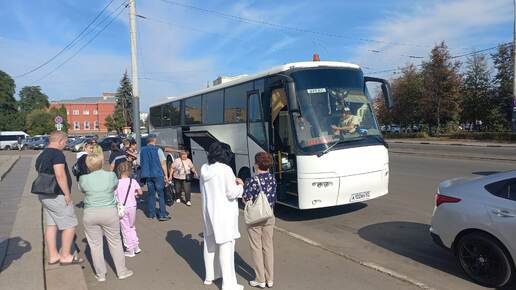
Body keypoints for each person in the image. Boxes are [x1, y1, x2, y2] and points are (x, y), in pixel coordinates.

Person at [79, 153, 133, 281]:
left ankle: (101, 274)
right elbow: (114, 186)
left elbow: (82, 190)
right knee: (115, 241)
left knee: (95, 245)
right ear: (101, 162)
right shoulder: (111, 175)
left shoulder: (83, 178)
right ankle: (121, 271)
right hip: (109, 211)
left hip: (91, 212)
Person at [200, 142, 244, 290]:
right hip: (224, 214)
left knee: (210, 244)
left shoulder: (204, 168)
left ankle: (210, 276)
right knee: (227, 249)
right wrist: (240, 186)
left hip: (208, 212)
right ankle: (229, 284)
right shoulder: (226, 169)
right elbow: (231, 193)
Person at [36, 131, 83, 266]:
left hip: (44, 194)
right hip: (56, 194)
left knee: (51, 225)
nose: (66, 144)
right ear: (61, 141)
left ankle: (53, 256)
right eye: (66, 142)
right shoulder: (57, 154)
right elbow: (59, 175)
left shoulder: (42, 154)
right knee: (70, 225)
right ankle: (65, 256)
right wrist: (67, 194)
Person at [243, 152, 277, 289]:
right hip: (269, 215)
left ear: (256, 164)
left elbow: (246, 198)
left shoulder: (252, 180)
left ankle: (260, 279)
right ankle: (270, 279)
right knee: (268, 247)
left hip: (256, 218)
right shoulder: (273, 179)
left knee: (256, 247)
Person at [115, 161, 143, 257]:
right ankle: (136, 246)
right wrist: (134, 194)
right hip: (133, 206)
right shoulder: (133, 181)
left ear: (119, 171)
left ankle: (129, 249)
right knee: (131, 226)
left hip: (122, 207)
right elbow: (140, 192)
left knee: (125, 228)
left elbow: (114, 195)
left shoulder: (117, 183)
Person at [140, 134, 170, 221]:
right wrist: (166, 175)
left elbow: (138, 162)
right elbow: (163, 163)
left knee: (151, 194)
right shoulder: (158, 150)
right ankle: (162, 214)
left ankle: (151, 213)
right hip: (158, 175)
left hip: (148, 175)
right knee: (161, 195)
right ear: (154, 140)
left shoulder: (142, 150)